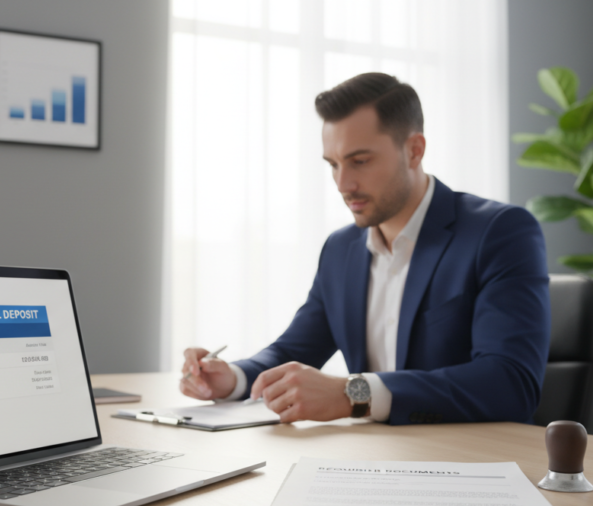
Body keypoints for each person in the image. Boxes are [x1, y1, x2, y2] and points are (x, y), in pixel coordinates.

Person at [180, 72, 550, 425]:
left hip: (470, 467)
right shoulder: (341, 249)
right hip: (370, 462)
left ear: (414, 150)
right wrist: (233, 379)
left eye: (359, 161)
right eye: (333, 165)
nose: (343, 183)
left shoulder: (499, 233)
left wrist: (353, 394)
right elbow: (292, 352)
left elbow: (509, 383)